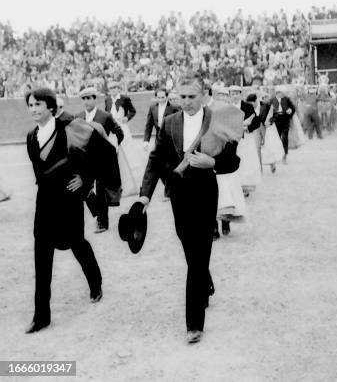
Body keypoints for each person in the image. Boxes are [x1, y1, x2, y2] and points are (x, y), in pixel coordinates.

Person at [137, 80, 240, 344]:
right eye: (182, 96)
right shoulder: (170, 122)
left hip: (206, 190)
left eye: (192, 96)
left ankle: (194, 324)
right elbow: (156, 159)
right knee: (188, 244)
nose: (187, 101)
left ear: (204, 96)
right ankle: (205, 280)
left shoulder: (218, 120)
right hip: (178, 193)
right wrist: (144, 196)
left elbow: (233, 160)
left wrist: (213, 162)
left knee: (199, 251)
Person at [24, 88, 103, 334]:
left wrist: (85, 179)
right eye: (30, 105)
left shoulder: (70, 129)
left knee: (77, 243)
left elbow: (96, 156)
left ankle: (95, 283)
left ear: (50, 107)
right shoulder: (30, 137)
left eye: (38, 104)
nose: (34, 109)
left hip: (68, 200)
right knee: (42, 256)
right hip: (44, 203)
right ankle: (41, 316)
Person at [77, 86, 124, 233]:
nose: (86, 101)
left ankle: (102, 222)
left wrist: (114, 147)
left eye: (89, 98)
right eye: (83, 98)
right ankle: (98, 211)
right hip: (85, 160)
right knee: (83, 189)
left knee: (101, 190)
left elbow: (119, 133)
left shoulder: (105, 116)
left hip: (102, 160)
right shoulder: (78, 117)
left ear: (94, 99)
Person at [105, 81, 143, 196]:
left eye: (114, 88)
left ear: (118, 88)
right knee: (114, 155)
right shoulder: (107, 100)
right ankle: (117, 185)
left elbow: (133, 111)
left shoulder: (124, 98)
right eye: (110, 88)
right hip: (112, 129)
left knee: (128, 154)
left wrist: (126, 118)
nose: (112, 90)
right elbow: (106, 114)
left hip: (123, 128)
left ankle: (134, 185)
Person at [269, 87, 296, 164]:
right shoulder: (272, 100)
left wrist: (290, 112)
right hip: (276, 121)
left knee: (285, 138)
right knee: (276, 139)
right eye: (281, 92)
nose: (283, 94)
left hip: (285, 120)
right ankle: (276, 156)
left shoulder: (287, 99)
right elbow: (267, 110)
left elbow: (293, 108)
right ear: (277, 93)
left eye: (283, 93)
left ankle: (284, 157)